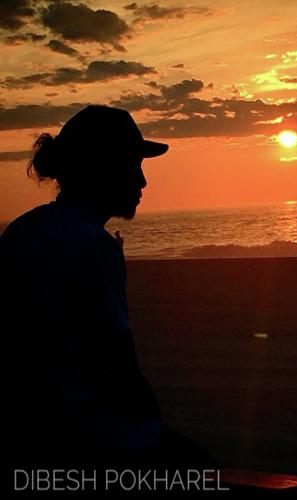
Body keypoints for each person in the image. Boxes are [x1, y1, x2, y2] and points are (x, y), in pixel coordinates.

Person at [1, 106, 219, 485]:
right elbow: (119, 367)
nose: (142, 181)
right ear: (102, 168)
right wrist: (152, 427)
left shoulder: (22, 232)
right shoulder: (91, 245)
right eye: (133, 165)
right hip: (87, 442)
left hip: (29, 433)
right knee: (206, 474)